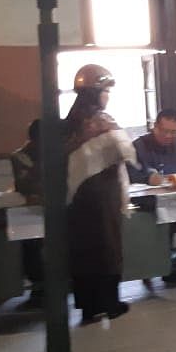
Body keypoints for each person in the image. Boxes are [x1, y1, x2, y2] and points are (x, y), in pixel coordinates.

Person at [64, 64, 136, 322]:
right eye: (106, 90)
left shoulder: (69, 122)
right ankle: (111, 303)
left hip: (76, 197)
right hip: (102, 194)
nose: (108, 95)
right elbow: (126, 149)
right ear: (96, 93)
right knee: (108, 248)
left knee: (84, 251)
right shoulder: (102, 120)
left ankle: (88, 306)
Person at [127, 109, 176, 284]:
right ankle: (158, 265)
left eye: (174, 132)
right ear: (155, 127)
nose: (169, 136)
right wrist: (148, 177)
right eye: (165, 131)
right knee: (164, 220)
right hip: (150, 203)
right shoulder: (137, 147)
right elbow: (127, 172)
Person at [10, 119, 44, 308]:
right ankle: (38, 286)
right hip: (31, 210)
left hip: (54, 206)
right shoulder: (20, 157)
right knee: (31, 244)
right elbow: (24, 186)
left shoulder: (58, 152)